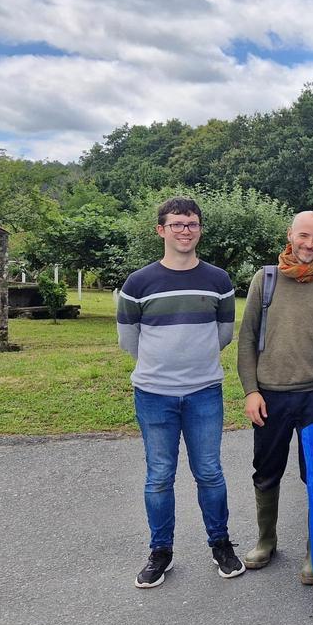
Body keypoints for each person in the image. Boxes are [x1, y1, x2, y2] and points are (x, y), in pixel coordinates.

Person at [117, 196, 243, 588]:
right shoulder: (138, 284)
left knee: (209, 473)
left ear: (199, 229)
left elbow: (224, 335)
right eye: (176, 224)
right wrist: (165, 367)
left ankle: (220, 544)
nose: (184, 231)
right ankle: (160, 552)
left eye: (191, 224)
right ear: (161, 230)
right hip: (154, 394)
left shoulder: (219, 281)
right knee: (159, 476)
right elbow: (129, 341)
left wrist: (192, 363)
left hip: (204, 392)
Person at [236, 210, 313, 584]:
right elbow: (246, 340)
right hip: (270, 395)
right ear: (290, 235)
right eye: (304, 236)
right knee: (266, 470)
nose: (309, 244)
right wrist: (251, 391)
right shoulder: (265, 279)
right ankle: (265, 540)